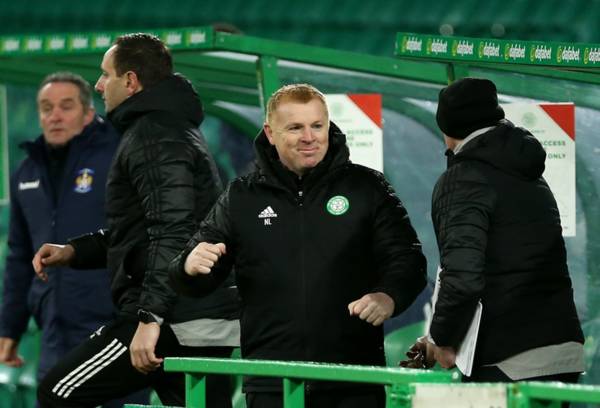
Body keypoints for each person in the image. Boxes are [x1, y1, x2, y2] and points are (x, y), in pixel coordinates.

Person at [170, 83, 427, 408]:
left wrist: (388, 296)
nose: (309, 137)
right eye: (295, 128)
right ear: (270, 133)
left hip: (352, 379)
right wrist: (188, 267)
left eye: (317, 126)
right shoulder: (241, 197)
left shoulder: (367, 187)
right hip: (271, 380)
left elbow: (407, 258)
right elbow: (192, 276)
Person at [33, 34, 239, 407]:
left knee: (58, 392)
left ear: (130, 81)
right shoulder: (169, 128)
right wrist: (75, 251)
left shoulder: (154, 134)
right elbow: (144, 232)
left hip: (171, 317)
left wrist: (149, 319)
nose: (99, 85)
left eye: (105, 74)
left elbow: (173, 233)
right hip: (198, 315)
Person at [407, 78, 584, 384]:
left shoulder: (463, 179)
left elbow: (463, 278)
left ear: (447, 129)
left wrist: (442, 339)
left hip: (507, 357)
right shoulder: (527, 172)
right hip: (561, 350)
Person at [0, 71, 149, 407]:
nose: (54, 116)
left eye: (66, 106)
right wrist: (10, 328)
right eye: (46, 108)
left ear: (88, 112)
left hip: (113, 324)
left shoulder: (120, 155)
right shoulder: (26, 172)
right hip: (54, 328)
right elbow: (19, 256)